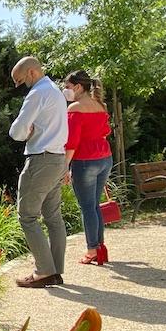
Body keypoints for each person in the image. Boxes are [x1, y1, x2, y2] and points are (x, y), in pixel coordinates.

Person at [8, 56, 69, 288]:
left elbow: (17, 131)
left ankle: (44, 271)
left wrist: (27, 132)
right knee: (53, 217)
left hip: (41, 160)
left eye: (21, 80)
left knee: (27, 216)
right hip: (58, 159)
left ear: (32, 72)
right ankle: (55, 270)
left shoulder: (37, 93)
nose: (22, 86)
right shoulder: (55, 91)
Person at [62, 70, 113, 265]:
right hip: (104, 158)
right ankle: (100, 247)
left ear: (78, 87)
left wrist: (64, 167)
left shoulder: (75, 108)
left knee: (87, 207)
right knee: (94, 206)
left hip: (85, 160)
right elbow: (106, 131)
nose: (65, 91)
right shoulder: (100, 105)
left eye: (67, 87)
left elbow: (72, 141)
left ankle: (92, 250)